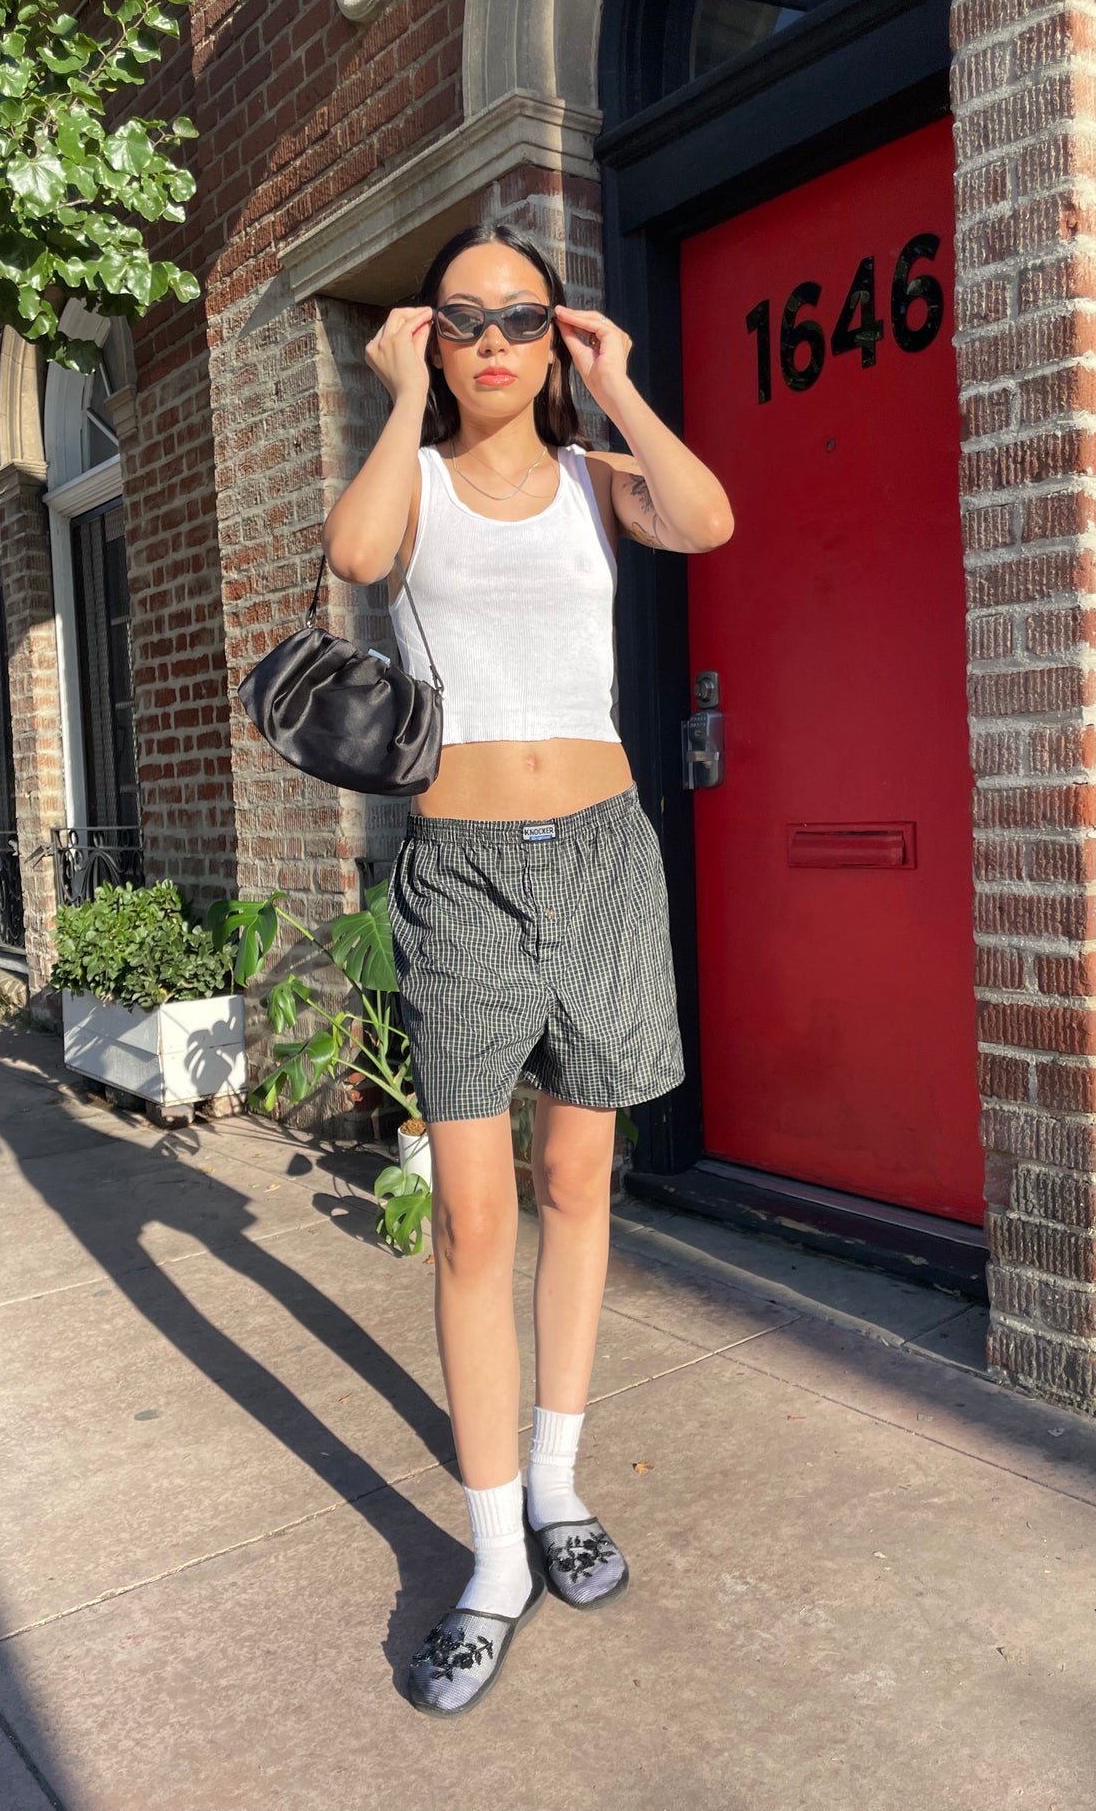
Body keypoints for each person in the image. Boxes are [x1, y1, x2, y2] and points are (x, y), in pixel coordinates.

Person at [321, 220, 734, 1716]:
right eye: (461, 319)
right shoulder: (412, 482)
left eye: (519, 317)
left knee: (579, 1184)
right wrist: (394, 406)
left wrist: (616, 390)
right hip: (464, 875)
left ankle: (556, 1486)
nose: (492, 341)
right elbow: (356, 558)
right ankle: (492, 1556)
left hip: (606, 854)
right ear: (428, 339)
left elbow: (708, 521)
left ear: (553, 333)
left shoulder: (590, 484)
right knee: (473, 1221)